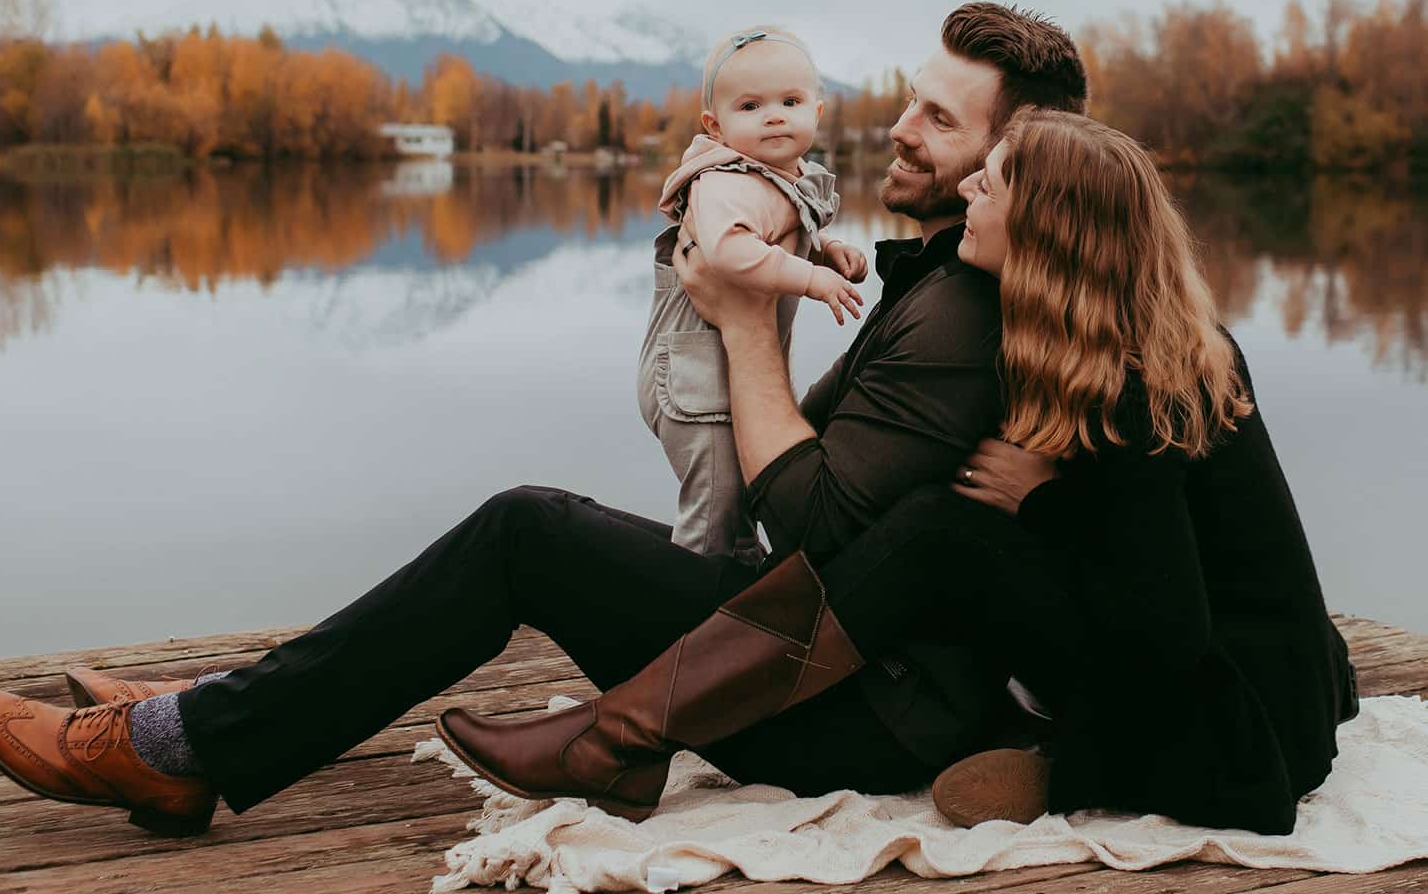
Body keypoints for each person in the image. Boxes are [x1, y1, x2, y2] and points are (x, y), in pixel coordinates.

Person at [0, 3, 1089, 837]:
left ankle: (185, 747)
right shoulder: (945, 282)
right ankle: (208, 714)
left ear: (1012, 152)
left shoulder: (958, 319)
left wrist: (744, 327)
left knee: (526, 534)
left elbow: (811, 524)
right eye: (909, 97)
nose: (899, 127)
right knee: (535, 531)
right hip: (808, 658)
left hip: (840, 707)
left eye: (938, 119)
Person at [445, 111, 1357, 837]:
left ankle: (622, 738)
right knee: (942, 529)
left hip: (1240, 739)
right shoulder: (1116, 341)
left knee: (937, 531)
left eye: (989, 181)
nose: (967, 187)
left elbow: (1164, 635)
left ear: (1046, 228)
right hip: (1223, 676)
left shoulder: (1141, 385)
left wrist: (1046, 505)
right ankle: (627, 737)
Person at [642, 25, 865, 562]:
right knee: (714, 509)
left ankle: (738, 595)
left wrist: (825, 250)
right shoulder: (726, 181)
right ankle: (683, 617)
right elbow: (728, 252)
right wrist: (812, 279)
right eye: (750, 105)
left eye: (790, 101)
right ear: (715, 126)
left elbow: (779, 232)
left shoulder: (780, 176)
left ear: (817, 109)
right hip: (696, 381)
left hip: (720, 374)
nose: (773, 115)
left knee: (739, 505)